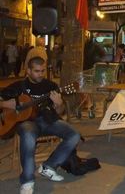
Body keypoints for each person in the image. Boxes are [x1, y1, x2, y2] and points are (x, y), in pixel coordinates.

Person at [0, 56, 81, 194]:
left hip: (47, 121)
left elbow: (59, 112)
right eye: (37, 71)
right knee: (28, 135)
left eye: (43, 70)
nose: (41, 74)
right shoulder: (19, 86)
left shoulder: (51, 86)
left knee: (74, 135)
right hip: (27, 123)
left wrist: (58, 104)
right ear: (28, 71)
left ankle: (49, 166)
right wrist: (6, 104)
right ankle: (27, 181)